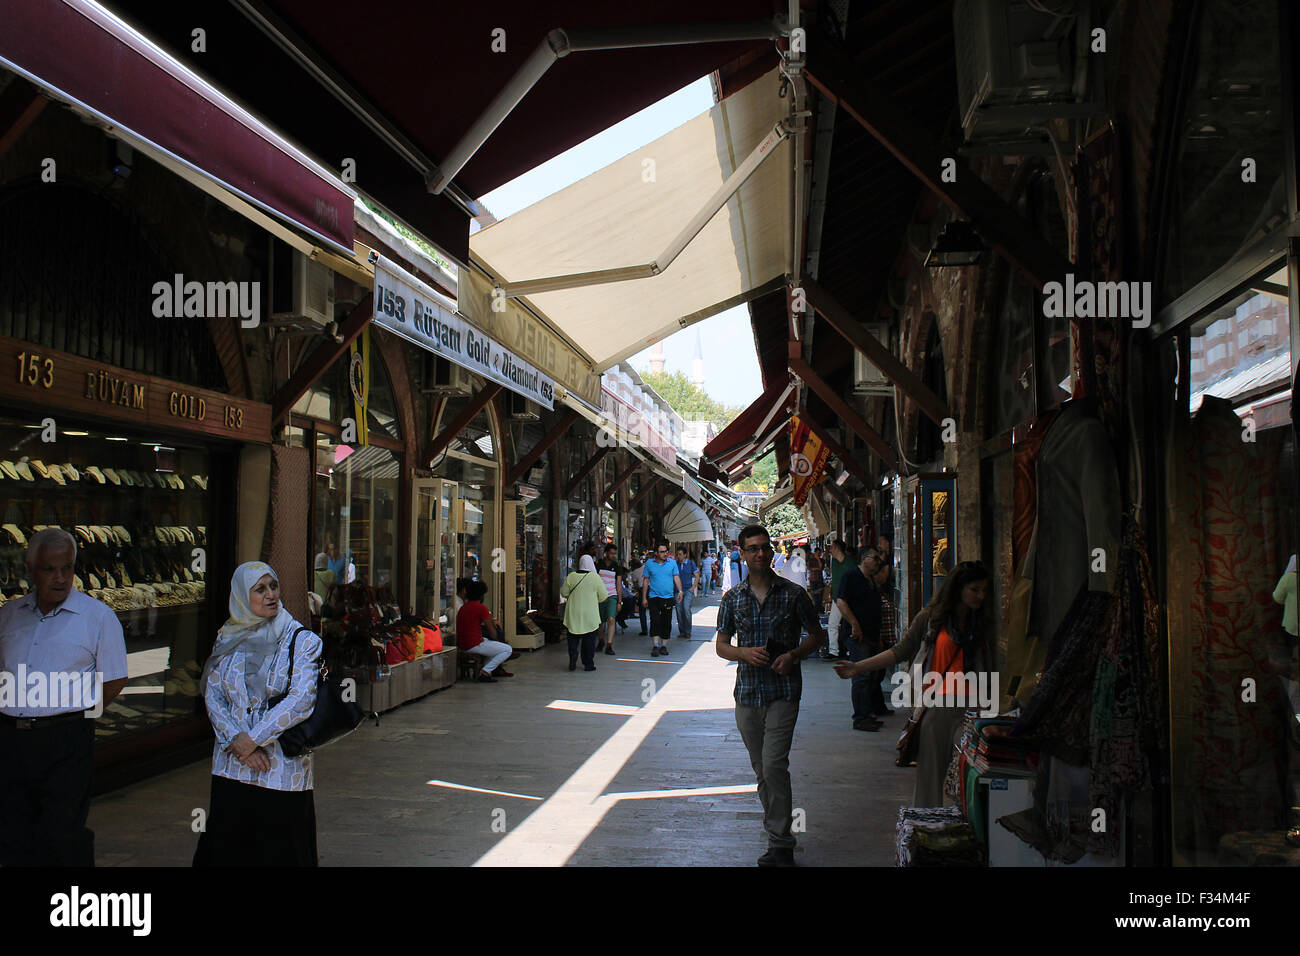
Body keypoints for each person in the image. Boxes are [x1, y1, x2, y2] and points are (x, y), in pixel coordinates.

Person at [0, 528, 128, 865]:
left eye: (67, 568)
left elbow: (114, 680)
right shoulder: (9, 615)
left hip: (66, 741)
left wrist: (78, 719)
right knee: (13, 834)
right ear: (30, 571)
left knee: (62, 836)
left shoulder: (98, 617)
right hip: (11, 740)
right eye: (49, 569)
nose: (60, 578)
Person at [834, 561, 994, 807]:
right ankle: (926, 832)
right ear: (959, 588)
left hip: (976, 710)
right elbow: (900, 652)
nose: (981, 596)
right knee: (930, 782)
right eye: (975, 589)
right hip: (938, 707)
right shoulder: (932, 618)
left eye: (985, 590)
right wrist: (858, 667)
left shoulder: (985, 622)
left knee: (971, 780)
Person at [193, 561, 322, 866]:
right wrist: (237, 740)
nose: (270, 595)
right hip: (232, 767)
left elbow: (301, 700)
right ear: (241, 595)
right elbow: (213, 694)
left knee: (279, 852)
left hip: (278, 771)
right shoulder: (228, 637)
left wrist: (252, 740)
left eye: (273, 586)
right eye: (260, 589)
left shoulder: (300, 640)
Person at [716, 524, 827, 867]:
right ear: (742, 553)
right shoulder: (733, 598)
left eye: (765, 547)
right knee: (762, 768)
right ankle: (776, 831)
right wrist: (744, 654)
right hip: (748, 694)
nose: (760, 554)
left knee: (774, 764)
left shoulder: (794, 595)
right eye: (753, 549)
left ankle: (781, 843)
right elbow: (721, 646)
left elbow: (817, 636)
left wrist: (793, 655)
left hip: (783, 691)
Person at [835, 548, 886, 731]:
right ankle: (861, 717)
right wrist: (854, 624)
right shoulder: (851, 576)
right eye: (875, 559)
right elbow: (841, 601)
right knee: (861, 675)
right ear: (864, 559)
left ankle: (870, 712)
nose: (877, 563)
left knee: (873, 673)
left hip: (872, 634)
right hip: (858, 635)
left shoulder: (871, 580)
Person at [456, 580, 514, 682]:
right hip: (474, 644)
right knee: (507, 649)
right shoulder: (481, 608)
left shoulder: (464, 607)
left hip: (463, 643)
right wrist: (497, 638)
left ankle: (487, 670)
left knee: (491, 645)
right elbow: (492, 631)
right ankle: (485, 672)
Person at [561, 554, 608, 672]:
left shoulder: (571, 576)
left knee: (572, 638)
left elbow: (564, 593)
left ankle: (573, 657)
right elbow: (603, 595)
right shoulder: (595, 577)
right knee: (589, 641)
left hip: (573, 613)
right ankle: (588, 663)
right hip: (590, 614)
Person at [640, 540, 681, 657]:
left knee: (666, 622)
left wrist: (680, 591)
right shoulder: (649, 564)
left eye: (666, 551)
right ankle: (655, 645)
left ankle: (664, 645)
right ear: (656, 553)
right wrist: (644, 597)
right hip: (654, 596)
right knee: (655, 620)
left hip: (668, 597)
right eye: (662, 552)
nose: (665, 554)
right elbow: (646, 580)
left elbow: (676, 577)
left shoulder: (672, 563)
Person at [822, 540, 854, 660]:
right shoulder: (834, 562)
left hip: (849, 600)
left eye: (832, 548)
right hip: (837, 599)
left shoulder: (850, 563)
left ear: (837, 549)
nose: (830, 551)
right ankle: (833, 651)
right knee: (832, 624)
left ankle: (851, 651)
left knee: (850, 625)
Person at [595, 544, 625, 656]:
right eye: (611, 553)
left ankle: (609, 644)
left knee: (611, 619)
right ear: (606, 553)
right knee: (600, 621)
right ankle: (601, 640)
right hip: (599, 596)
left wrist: (619, 601)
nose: (613, 555)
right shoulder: (598, 565)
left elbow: (618, 584)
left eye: (614, 554)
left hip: (612, 595)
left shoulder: (617, 567)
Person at [675, 547, 699, 640]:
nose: (678, 556)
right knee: (679, 611)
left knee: (686, 609)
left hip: (688, 590)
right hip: (678, 591)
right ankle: (682, 631)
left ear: (685, 555)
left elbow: (697, 576)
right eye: (677, 554)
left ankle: (688, 631)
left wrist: (693, 588)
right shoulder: (676, 564)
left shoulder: (691, 563)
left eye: (680, 554)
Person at [625, 557, 648, 634]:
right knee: (654, 609)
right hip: (651, 588)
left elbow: (635, 584)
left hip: (642, 589)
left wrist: (638, 591)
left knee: (642, 611)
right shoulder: (645, 566)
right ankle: (655, 629)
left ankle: (644, 630)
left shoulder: (634, 572)